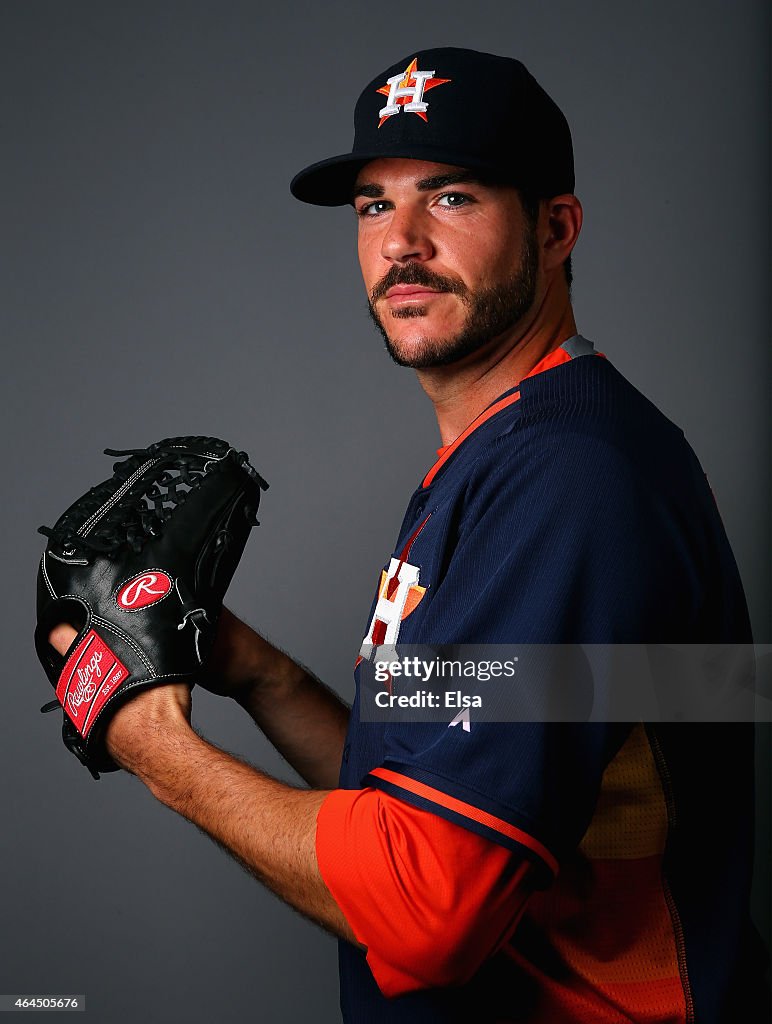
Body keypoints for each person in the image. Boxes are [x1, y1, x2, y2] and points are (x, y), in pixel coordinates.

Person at [48, 48, 768, 1023]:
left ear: (555, 228)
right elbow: (430, 791)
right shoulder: (505, 453)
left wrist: (153, 743)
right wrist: (251, 669)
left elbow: (429, 907)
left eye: (452, 197)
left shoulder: (571, 478)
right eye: (373, 206)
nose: (402, 243)